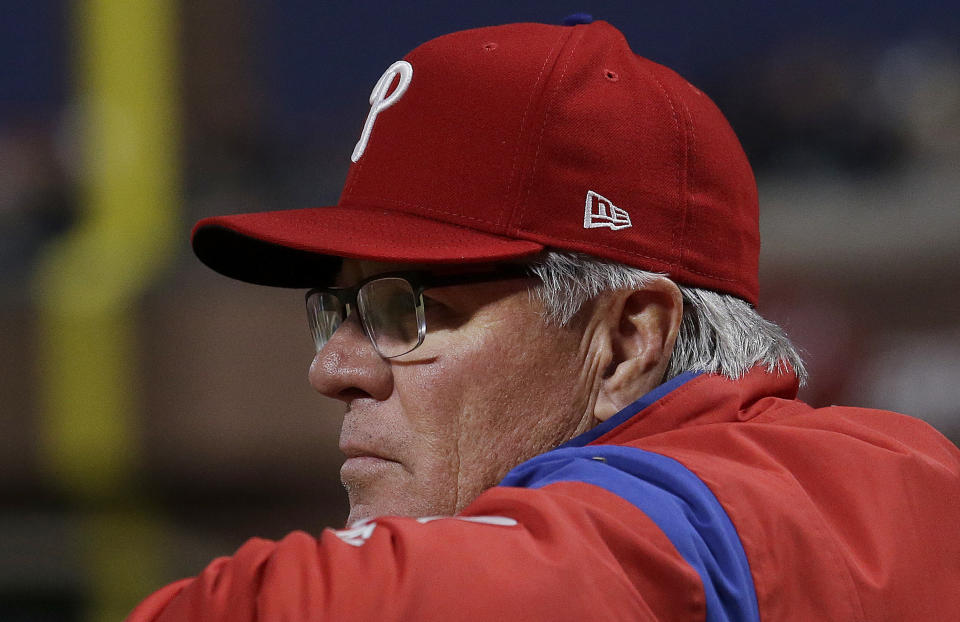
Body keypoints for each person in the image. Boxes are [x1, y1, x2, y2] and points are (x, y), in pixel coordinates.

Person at [128, 16, 960, 622]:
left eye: (406, 309)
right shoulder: (904, 478)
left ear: (629, 340)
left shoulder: (698, 522)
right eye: (337, 311)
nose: (334, 369)